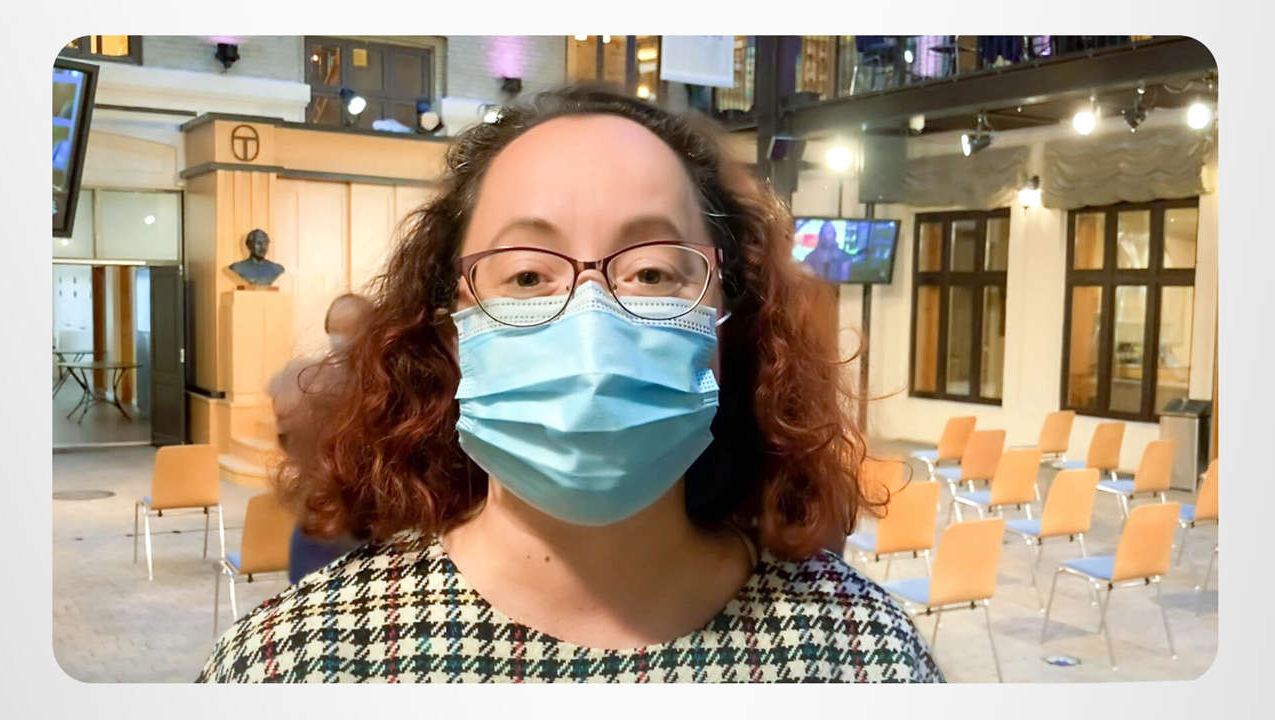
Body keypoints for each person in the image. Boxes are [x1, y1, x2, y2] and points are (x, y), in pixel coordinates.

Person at [199, 86, 941, 683]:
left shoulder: (866, 657)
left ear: (725, 319)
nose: (592, 324)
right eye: (527, 275)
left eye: (651, 271)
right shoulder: (295, 664)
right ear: (449, 328)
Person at [268, 293, 373, 584]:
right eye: (334, 331)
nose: (340, 341)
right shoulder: (312, 381)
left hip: (374, 527)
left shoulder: (391, 386)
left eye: (349, 331)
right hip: (326, 524)